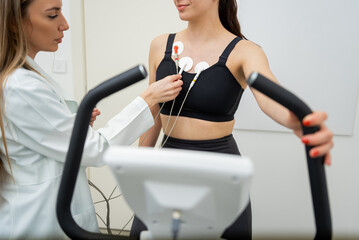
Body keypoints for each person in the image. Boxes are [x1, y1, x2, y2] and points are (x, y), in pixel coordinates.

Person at [132, 0, 334, 239]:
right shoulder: (160, 45)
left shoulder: (245, 51)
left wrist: (300, 121)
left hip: (219, 169)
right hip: (167, 166)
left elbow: (270, 99)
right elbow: (153, 113)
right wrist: (137, 169)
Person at [0, 0, 183, 239]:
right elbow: (95, 150)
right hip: (37, 220)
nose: (65, 25)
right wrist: (147, 100)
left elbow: (38, 135)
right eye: (52, 15)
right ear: (15, 23)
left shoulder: (24, 77)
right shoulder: (20, 86)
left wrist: (72, 126)